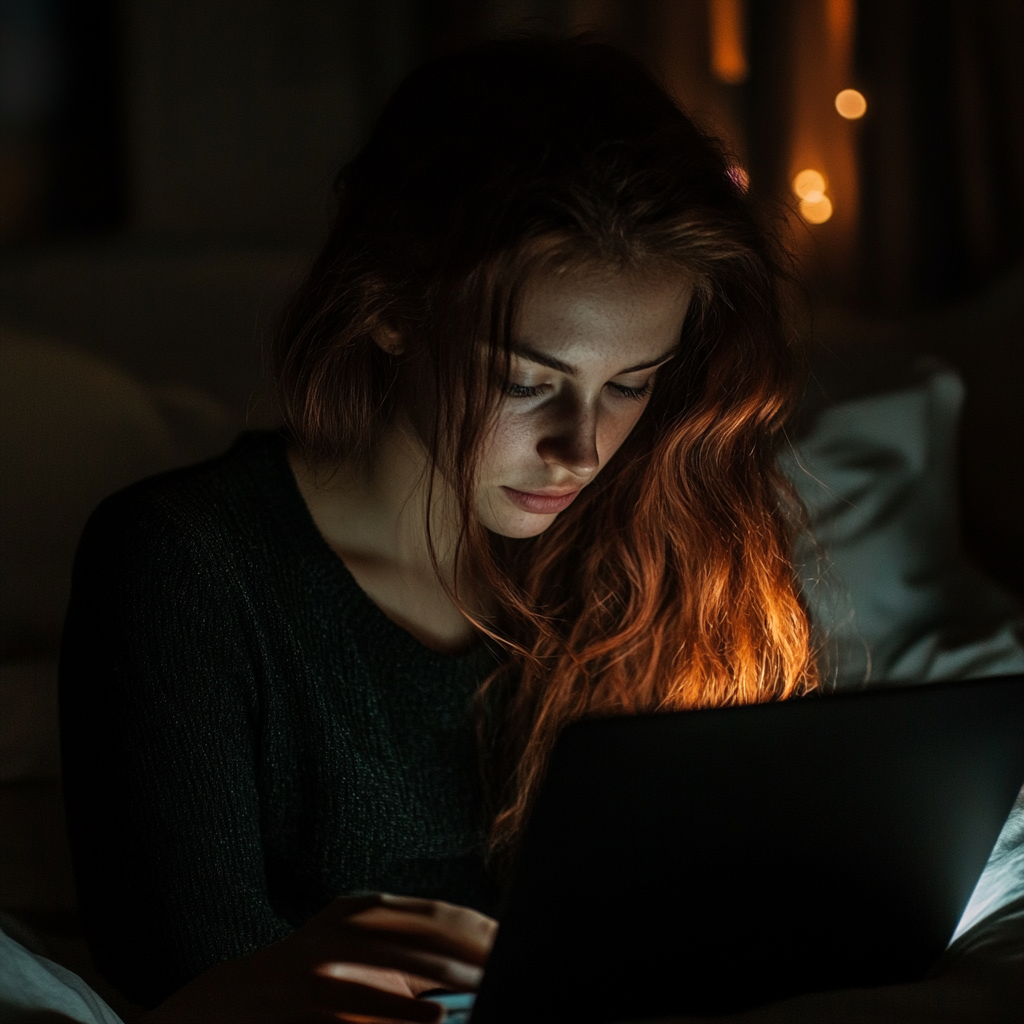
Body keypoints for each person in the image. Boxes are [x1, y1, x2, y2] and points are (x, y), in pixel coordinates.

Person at [57, 36, 1020, 1024]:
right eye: (528, 380)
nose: (583, 446)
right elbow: (185, 970)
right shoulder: (184, 565)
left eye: (631, 384)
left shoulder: (658, 546)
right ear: (391, 309)